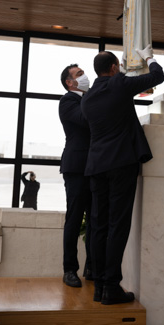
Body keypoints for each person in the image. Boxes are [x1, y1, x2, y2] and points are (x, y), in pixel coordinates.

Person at [81, 47, 164, 305]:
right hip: (121, 163)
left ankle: (98, 286)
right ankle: (111, 287)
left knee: (98, 226)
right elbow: (158, 76)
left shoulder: (87, 97)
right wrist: (149, 57)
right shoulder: (119, 84)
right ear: (114, 67)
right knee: (118, 225)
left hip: (96, 166)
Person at [59, 64, 93, 288]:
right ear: (69, 83)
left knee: (95, 219)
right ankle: (70, 269)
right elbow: (85, 119)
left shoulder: (88, 98)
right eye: (79, 74)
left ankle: (92, 267)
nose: (85, 76)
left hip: (95, 166)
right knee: (74, 218)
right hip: (76, 167)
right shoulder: (68, 101)